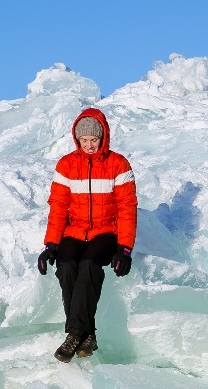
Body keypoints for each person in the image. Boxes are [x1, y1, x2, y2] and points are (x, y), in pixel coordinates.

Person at [37, 107, 137, 362]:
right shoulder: (66, 165)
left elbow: (127, 208)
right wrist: (50, 243)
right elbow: (58, 207)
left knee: (90, 264)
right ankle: (87, 334)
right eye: (84, 140)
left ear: (103, 137)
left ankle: (75, 333)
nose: (90, 145)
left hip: (106, 232)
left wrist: (124, 248)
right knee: (67, 264)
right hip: (74, 230)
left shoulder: (118, 164)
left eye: (94, 139)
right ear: (77, 139)